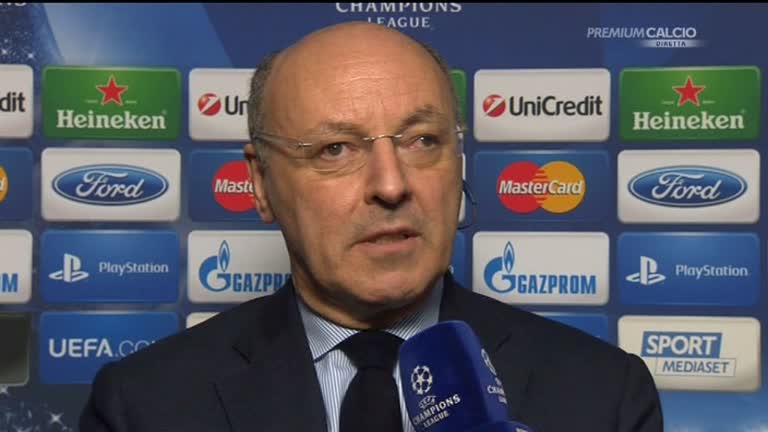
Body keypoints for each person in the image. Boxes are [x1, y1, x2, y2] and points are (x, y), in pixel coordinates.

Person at [80, 22, 663, 432]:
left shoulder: (604, 395)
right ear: (259, 183)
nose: (391, 184)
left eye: (423, 141)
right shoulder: (144, 405)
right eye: (335, 148)